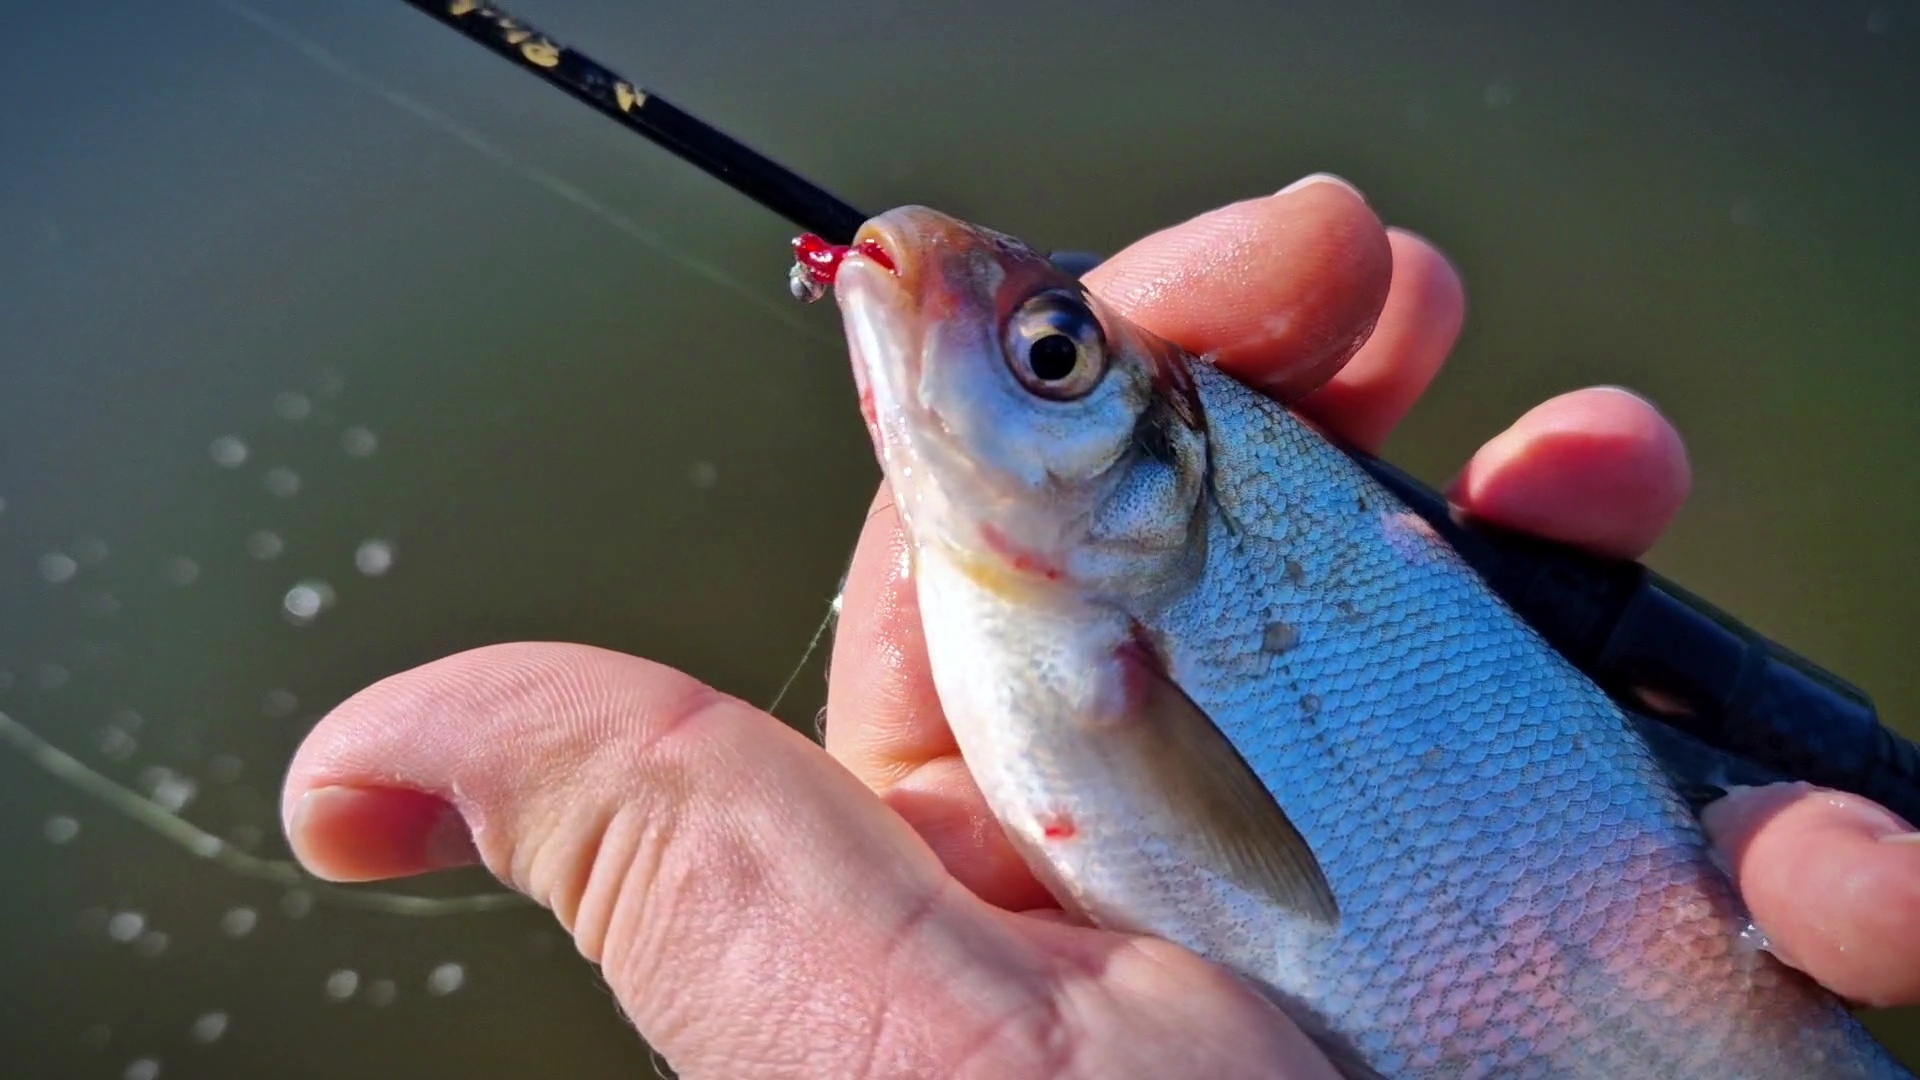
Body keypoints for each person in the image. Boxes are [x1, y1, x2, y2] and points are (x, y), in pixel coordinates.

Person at [278, 177, 1920, 1079]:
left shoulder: (1075, 624)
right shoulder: (1048, 614)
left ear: (1160, 483)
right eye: (1053, 354)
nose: (1001, 341)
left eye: (1054, 361)